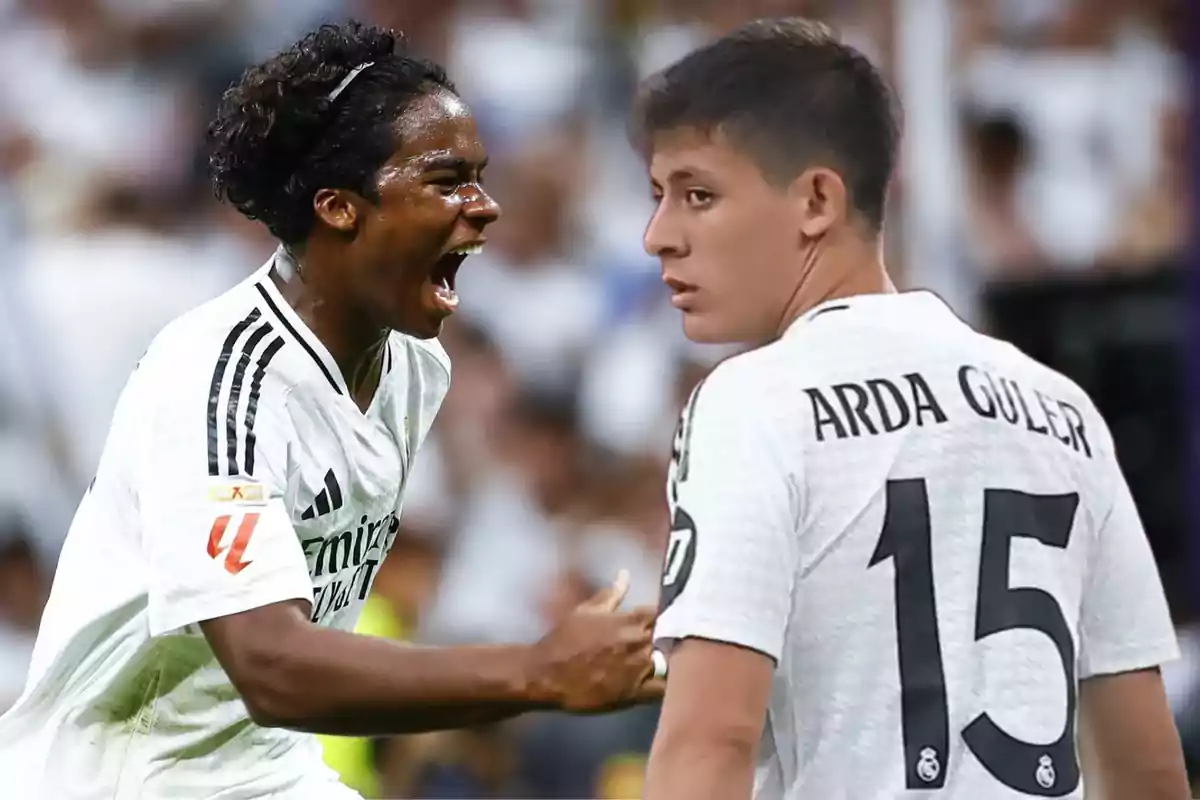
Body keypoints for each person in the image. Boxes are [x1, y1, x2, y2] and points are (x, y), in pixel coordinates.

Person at [0, 21, 661, 799]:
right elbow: (272, 665)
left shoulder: (415, 367)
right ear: (341, 208)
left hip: (266, 769)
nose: (485, 208)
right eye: (447, 180)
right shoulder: (217, 381)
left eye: (480, 178)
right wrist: (533, 671)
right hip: (121, 778)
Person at [635, 18, 1189, 800]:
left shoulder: (754, 401)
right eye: (658, 197)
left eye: (698, 194)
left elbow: (708, 743)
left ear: (817, 199)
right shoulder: (1063, 410)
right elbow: (1148, 771)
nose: (658, 235)